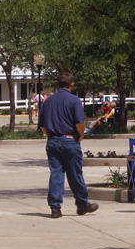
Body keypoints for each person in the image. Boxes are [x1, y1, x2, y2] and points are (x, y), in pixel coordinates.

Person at [39, 72, 98, 218]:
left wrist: (51, 136)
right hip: (70, 140)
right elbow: (79, 123)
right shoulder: (74, 101)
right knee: (75, 174)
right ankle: (82, 204)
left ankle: (55, 207)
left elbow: (42, 125)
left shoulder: (48, 101)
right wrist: (81, 135)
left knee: (56, 174)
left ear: (58, 84)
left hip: (52, 141)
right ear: (71, 85)